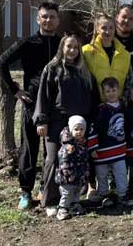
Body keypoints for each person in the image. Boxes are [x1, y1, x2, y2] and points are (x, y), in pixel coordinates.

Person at [0, 1, 61, 211]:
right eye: (44, 16)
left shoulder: (62, 44)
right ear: (38, 19)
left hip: (57, 104)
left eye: (52, 16)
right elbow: (1, 63)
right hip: (32, 103)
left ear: (58, 20)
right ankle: (25, 191)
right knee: (29, 148)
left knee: (51, 149)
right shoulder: (27, 43)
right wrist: (15, 90)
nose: (48, 20)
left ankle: (45, 187)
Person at [34, 34, 100, 213]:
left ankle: (72, 200)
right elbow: (44, 96)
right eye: (68, 46)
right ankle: (50, 201)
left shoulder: (84, 71)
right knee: (54, 159)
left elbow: (94, 99)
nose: (72, 50)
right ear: (62, 48)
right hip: (57, 121)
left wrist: (93, 121)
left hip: (80, 123)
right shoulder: (52, 68)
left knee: (76, 161)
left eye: (76, 47)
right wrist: (42, 120)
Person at [88, 77, 133, 206]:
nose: (111, 93)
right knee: (101, 175)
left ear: (118, 90)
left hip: (119, 148)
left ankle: (122, 195)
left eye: (113, 90)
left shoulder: (123, 108)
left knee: (121, 173)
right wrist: (92, 147)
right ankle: (104, 195)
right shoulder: (100, 109)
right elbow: (93, 129)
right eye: (107, 91)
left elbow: (128, 127)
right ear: (103, 93)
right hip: (102, 150)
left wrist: (128, 144)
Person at [83, 13, 133, 101]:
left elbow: (129, 81)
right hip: (94, 105)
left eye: (111, 28)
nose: (108, 31)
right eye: (104, 28)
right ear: (97, 29)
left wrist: (123, 100)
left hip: (117, 105)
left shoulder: (125, 54)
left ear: (115, 29)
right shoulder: (86, 51)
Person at [54, 116, 89, 221]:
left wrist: (85, 172)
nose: (79, 132)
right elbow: (64, 161)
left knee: (76, 192)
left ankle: (75, 206)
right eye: (76, 129)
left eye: (81, 129)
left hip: (79, 174)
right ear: (71, 130)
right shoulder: (68, 146)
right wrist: (68, 174)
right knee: (67, 193)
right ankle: (62, 209)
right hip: (67, 177)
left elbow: (85, 160)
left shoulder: (82, 144)